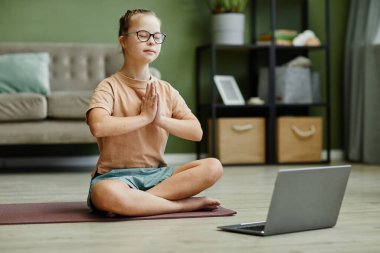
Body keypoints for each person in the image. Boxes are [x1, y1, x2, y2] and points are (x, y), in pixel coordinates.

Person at [86, 9, 223, 217]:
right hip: (115, 178)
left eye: (157, 36)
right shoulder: (108, 87)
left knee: (213, 166)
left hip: (158, 174)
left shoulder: (166, 90)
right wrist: (144, 118)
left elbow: (196, 132)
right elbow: (98, 126)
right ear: (123, 41)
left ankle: (138, 203)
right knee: (104, 193)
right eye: (143, 35)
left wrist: (159, 119)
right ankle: (182, 205)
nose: (151, 41)